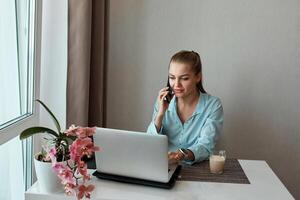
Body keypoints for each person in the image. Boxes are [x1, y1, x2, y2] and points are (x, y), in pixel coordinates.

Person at [147, 50, 224, 165]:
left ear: (198, 77)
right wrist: (160, 114)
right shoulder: (162, 102)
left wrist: (180, 155)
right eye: (172, 77)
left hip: (197, 169)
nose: (176, 85)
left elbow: (206, 146)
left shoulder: (213, 105)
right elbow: (149, 143)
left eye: (184, 78)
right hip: (163, 166)